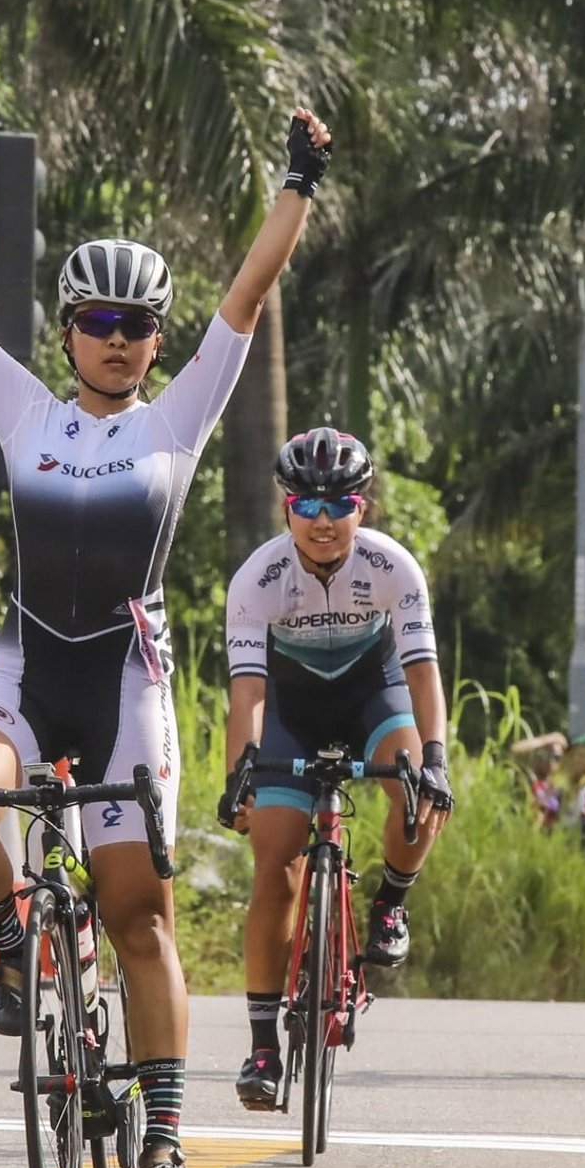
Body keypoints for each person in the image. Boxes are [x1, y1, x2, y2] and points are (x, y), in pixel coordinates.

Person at [0, 105, 332, 1168]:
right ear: (67, 332)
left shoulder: (176, 421)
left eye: (138, 324)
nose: (118, 339)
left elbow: (248, 294)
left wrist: (298, 183)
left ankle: (164, 1132)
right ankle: (16, 946)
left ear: (158, 340)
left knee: (139, 917)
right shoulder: (24, 413)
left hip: (125, 684)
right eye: (98, 321)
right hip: (25, 669)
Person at [219, 428, 454, 1109]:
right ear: (286, 508)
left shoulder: (392, 566)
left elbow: (422, 673)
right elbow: (249, 693)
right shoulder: (257, 579)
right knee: (275, 864)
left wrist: (436, 761)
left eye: (339, 504)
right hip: (289, 709)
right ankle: (263, 1045)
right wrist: (240, 774)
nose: (323, 521)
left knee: (414, 789)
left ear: (362, 507)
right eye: (307, 505)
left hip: (372, 696)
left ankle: (390, 904)